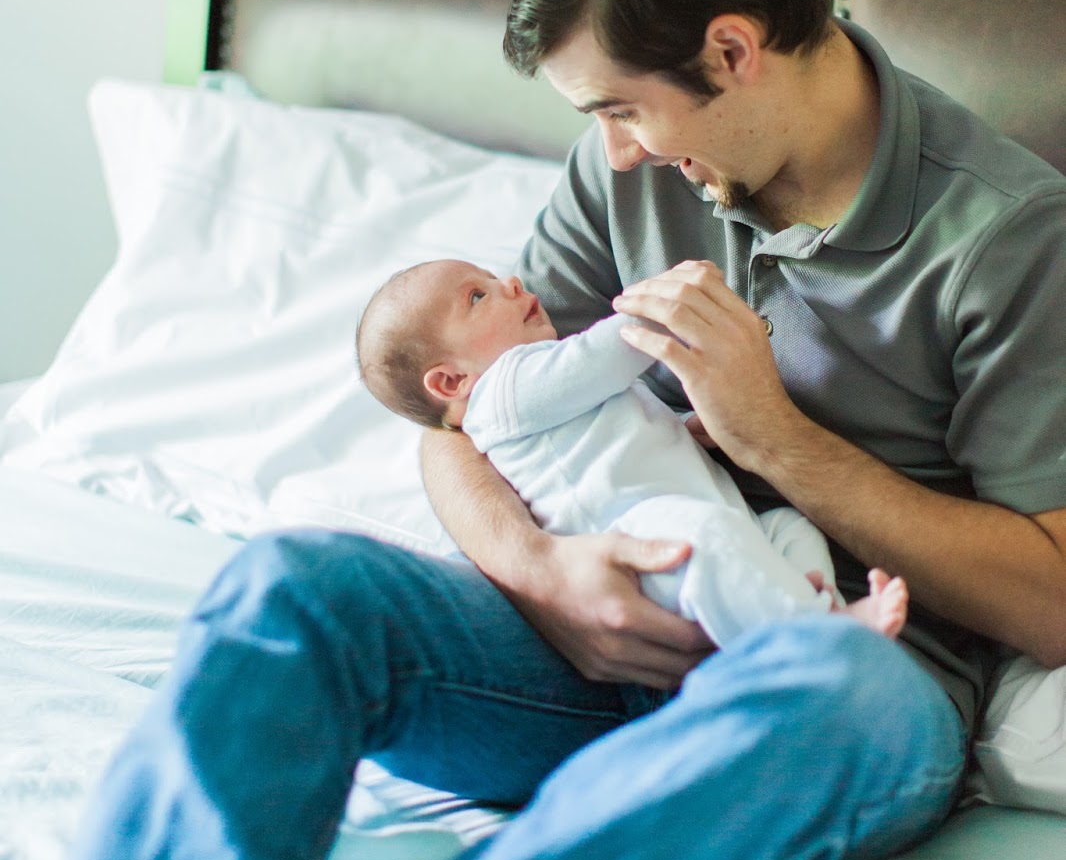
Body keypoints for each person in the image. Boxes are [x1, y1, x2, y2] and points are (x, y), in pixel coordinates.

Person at [2, 0, 1065, 860]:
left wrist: (776, 439)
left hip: (836, 680)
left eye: (621, 108)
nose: (612, 152)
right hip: (589, 654)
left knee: (827, 688)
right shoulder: (626, 176)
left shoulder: (1007, 239)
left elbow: (1049, 596)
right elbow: (463, 422)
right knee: (295, 585)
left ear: (731, 50)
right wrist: (542, 571)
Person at [356, 256, 909, 643]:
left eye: (492, 278)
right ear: (451, 382)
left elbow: (632, 428)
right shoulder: (502, 394)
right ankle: (810, 639)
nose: (512, 283)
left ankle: (813, 608)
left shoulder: (544, 391)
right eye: (478, 296)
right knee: (709, 536)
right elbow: (605, 354)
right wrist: (665, 305)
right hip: (642, 553)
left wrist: (690, 427)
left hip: (703, 531)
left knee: (788, 527)